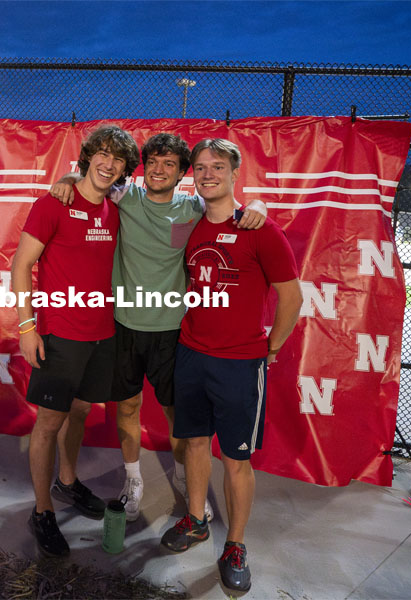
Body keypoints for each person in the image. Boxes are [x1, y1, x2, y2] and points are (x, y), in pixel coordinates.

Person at [50, 133, 267, 522]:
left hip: (172, 330)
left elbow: (232, 205)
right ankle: (133, 481)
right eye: (153, 162)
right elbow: (87, 186)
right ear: (142, 167)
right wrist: (66, 182)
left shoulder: (194, 209)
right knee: (128, 407)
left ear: (183, 173)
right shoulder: (124, 198)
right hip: (124, 326)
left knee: (178, 415)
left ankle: (185, 476)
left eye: (169, 164)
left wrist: (258, 203)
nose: (159, 169)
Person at [159, 138, 301, 593]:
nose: (206, 174)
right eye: (199, 167)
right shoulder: (188, 226)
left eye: (217, 166)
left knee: (236, 459)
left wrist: (271, 345)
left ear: (234, 173)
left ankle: (235, 544)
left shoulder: (260, 229)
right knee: (194, 444)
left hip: (240, 363)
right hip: (191, 353)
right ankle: (196, 519)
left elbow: (292, 296)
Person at [12, 125, 138, 557]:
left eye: (118, 159)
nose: (108, 164)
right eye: (101, 154)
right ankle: (42, 512)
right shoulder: (53, 203)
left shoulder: (118, 209)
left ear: (124, 169)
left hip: (105, 335)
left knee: (80, 411)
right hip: (60, 335)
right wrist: (27, 328)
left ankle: (66, 483)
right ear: (86, 158)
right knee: (48, 422)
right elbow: (21, 265)